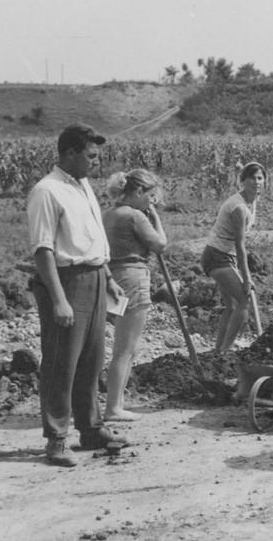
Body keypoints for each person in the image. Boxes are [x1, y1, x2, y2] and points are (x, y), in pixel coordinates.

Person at [27, 122, 129, 467]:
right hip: (66, 281)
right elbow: (43, 249)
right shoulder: (47, 191)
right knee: (62, 363)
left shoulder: (83, 186)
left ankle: (91, 429)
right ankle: (56, 440)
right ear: (70, 153)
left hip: (95, 277)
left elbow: (92, 237)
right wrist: (58, 299)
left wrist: (108, 277)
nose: (96, 162)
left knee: (91, 360)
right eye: (91, 155)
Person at [102, 169, 167, 421]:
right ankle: (113, 408)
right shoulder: (134, 216)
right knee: (126, 349)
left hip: (113, 278)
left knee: (123, 347)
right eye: (150, 196)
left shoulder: (109, 214)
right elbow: (160, 244)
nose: (152, 201)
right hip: (133, 279)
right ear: (138, 191)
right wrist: (155, 217)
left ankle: (115, 403)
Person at [200, 161, 267, 353]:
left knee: (231, 306)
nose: (256, 182)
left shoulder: (252, 200)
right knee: (244, 303)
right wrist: (246, 278)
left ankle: (217, 350)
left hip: (225, 256)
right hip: (216, 256)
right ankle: (225, 350)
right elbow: (240, 246)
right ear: (243, 181)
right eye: (251, 178)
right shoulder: (238, 207)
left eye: (260, 178)